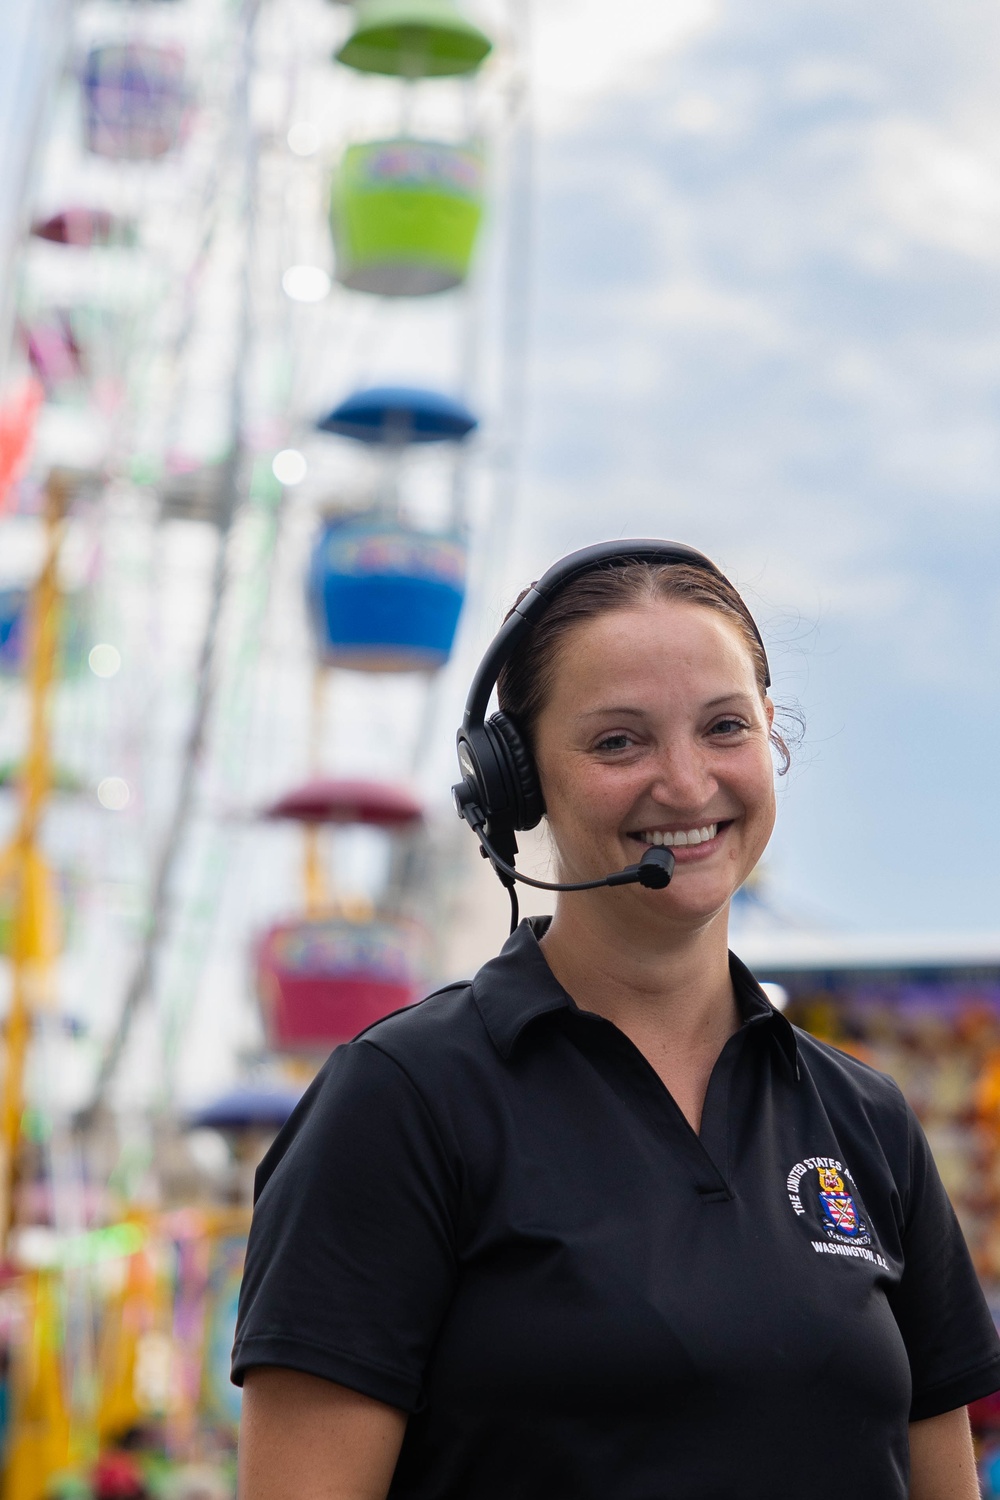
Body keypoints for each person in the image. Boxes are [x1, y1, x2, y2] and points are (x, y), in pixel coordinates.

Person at [233, 541, 1000, 1500]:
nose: (684, 785)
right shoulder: (401, 1103)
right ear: (517, 783)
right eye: (618, 742)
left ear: (773, 741)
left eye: (724, 728)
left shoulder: (867, 1119)